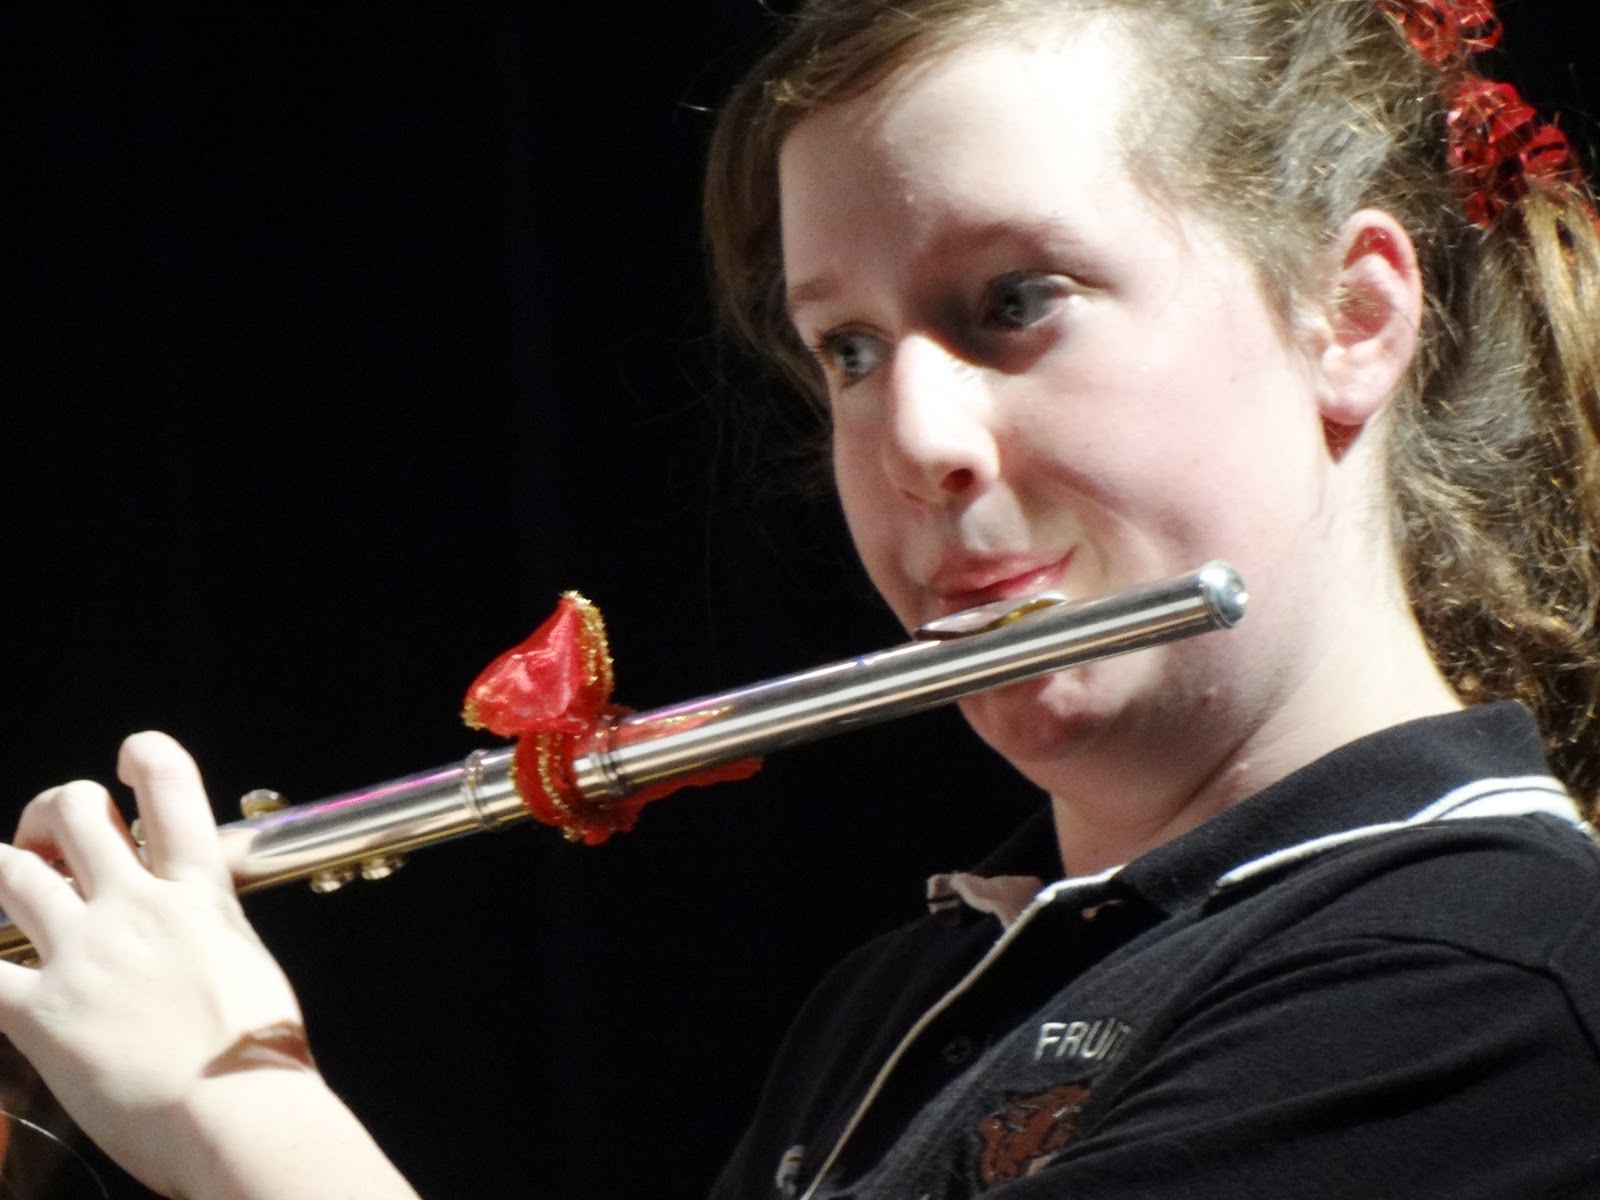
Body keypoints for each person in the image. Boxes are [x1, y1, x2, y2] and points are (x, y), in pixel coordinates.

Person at [3, 0, 1600, 1196]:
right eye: (846, 347)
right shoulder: (906, 999)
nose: (911, 441)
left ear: (1353, 315)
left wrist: (237, 1115)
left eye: (1013, 301)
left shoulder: (1499, 981)